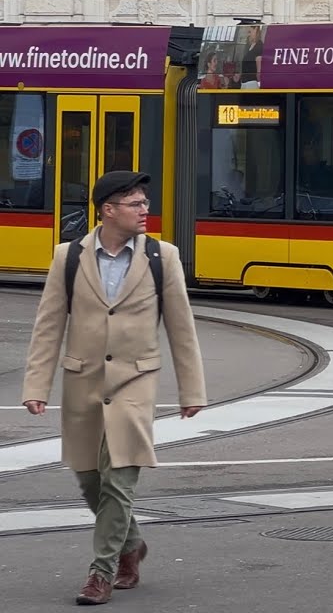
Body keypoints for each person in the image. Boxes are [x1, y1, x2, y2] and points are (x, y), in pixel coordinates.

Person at [20, 170, 206, 606]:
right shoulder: (68, 257)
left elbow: (182, 328)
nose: (145, 210)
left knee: (119, 479)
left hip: (135, 381)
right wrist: (37, 385)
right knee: (90, 481)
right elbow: (48, 326)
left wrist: (191, 390)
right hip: (82, 379)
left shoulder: (163, 257)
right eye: (135, 203)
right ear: (108, 210)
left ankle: (100, 573)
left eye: (145, 202)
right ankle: (132, 543)